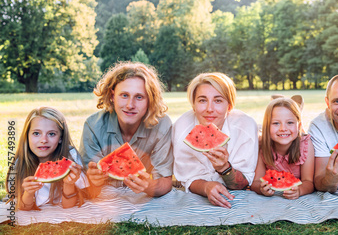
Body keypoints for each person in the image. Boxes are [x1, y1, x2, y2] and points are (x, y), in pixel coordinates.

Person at [80, 62, 173, 198]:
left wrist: (149, 186)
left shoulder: (162, 124)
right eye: (124, 95)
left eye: (139, 97)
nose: (130, 105)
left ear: (150, 100)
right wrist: (93, 181)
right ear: (112, 96)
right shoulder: (93, 126)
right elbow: (88, 188)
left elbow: (165, 182)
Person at [172, 72, 258, 208]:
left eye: (218, 100)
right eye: (202, 100)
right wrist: (206, 187)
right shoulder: (182, 128)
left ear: (229, 106)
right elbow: (188, 179)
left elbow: (244, 183)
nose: (209, 109)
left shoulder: (245, 127)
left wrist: (225, 168)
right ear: (193, 105)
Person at [8, 107, 88, 210]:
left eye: (51, 134)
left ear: (61, 138)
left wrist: (69, 184)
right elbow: (24, 208)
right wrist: (29, 192)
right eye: (36, 133)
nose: (44, 140)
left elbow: (68, 206)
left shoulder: (70, 157)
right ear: (27, 136)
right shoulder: (20, 164)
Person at [251, 97, 314, 199]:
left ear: (299, 126)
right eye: (276, 123)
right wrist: (261, 189)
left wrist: (300, 191)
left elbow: (309, 182)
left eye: (290, 123)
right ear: (267, 127)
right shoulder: (262, 145)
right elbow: (256, 182)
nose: (283, 129)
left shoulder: (305, 145)